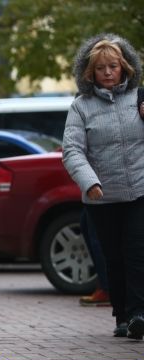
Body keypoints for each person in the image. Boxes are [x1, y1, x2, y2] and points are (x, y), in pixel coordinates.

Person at [63, 33, 144, 340]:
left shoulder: (139, 99)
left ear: (125, 67)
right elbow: (72, 151)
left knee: (137, 251)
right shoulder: (81, 107)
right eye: (101, 68)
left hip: (139, 191)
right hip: (102, 196)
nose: (108, 72)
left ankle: (138, 314)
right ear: (90, 72)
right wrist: (90, 182)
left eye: (113, 66)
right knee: (114, 256)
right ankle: (122, 315)